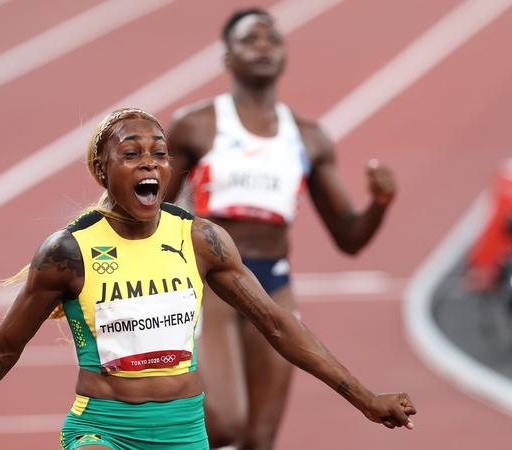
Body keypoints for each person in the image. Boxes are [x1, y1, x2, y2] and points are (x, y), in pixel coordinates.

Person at [0, 108, 413, 450]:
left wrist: (365, 398)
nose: (149, 164)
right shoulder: (68, 252)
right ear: (102, 169)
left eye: (159, 153)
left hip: (184, 432)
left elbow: (277, 324)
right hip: (103, 430)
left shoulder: (200, 240)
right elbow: (0, 349)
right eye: (131, 155)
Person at [164, 8, 398, 450]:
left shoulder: (309, 138)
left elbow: (349, 238)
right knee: (224, 423)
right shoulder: (196, 126)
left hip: (272, 282)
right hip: (209, 280)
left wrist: (380, 204)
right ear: (227, 56)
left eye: (272, 40)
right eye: (250, 40)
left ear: (286, 56)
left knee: (260, 438)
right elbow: (152, 208)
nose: (263, 47)